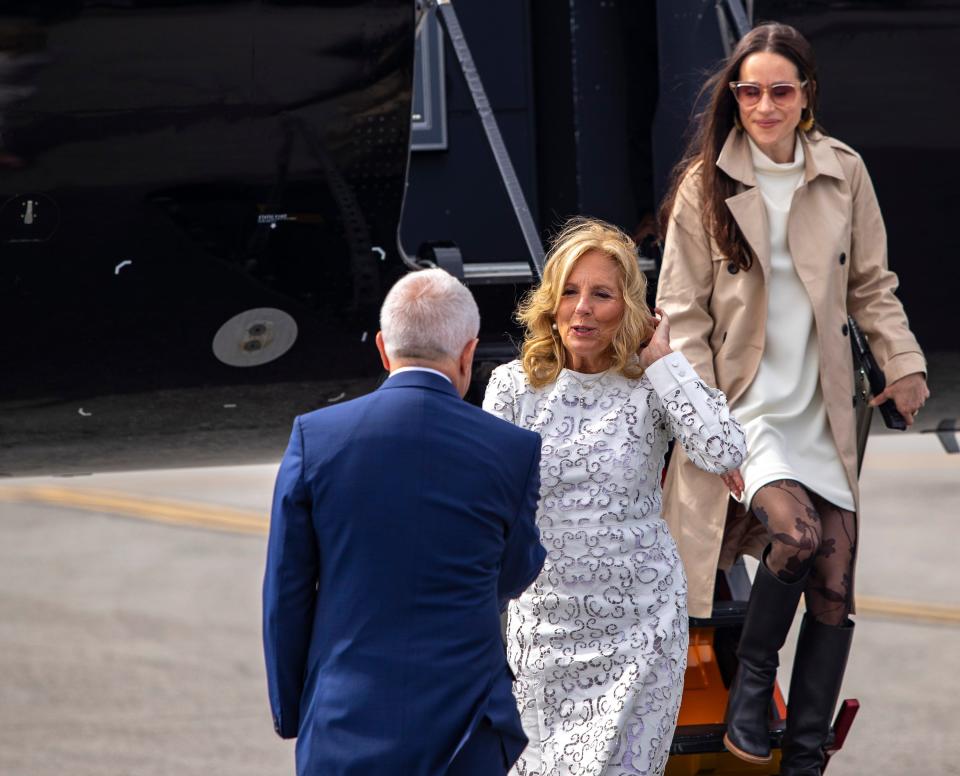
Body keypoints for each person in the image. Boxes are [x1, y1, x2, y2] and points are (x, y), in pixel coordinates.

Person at [656, 22, 929, 775]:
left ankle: (803, 755)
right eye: (750, 91)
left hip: (821, 404)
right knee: (798, 536)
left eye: (781, 90)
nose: (764, 105)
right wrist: (707, 427)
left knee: (836, 581)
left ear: (807, 96)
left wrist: (900, 362)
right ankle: (752, 688)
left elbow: (872, 286)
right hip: (744, 408)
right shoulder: (703, 186)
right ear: (735, 97)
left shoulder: (844, 172)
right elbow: (682, 322)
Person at [483, 217, 746, 776]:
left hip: (640, 626)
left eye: (601, 294)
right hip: (546, 629)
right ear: (550, 302)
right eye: (570, 292)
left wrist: (665, 362)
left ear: (628, 306)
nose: (582, 308)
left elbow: (723, 449)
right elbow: (485, 506)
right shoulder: (512, 386)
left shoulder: (651, 383)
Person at [262, 268, 547, 776]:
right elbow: (515, 569)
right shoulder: (512, 450)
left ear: (382, 348)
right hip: (466, 726)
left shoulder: (317, 438)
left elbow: (286, 590)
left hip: (344, 719)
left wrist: (294, 710)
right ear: (468, 352)